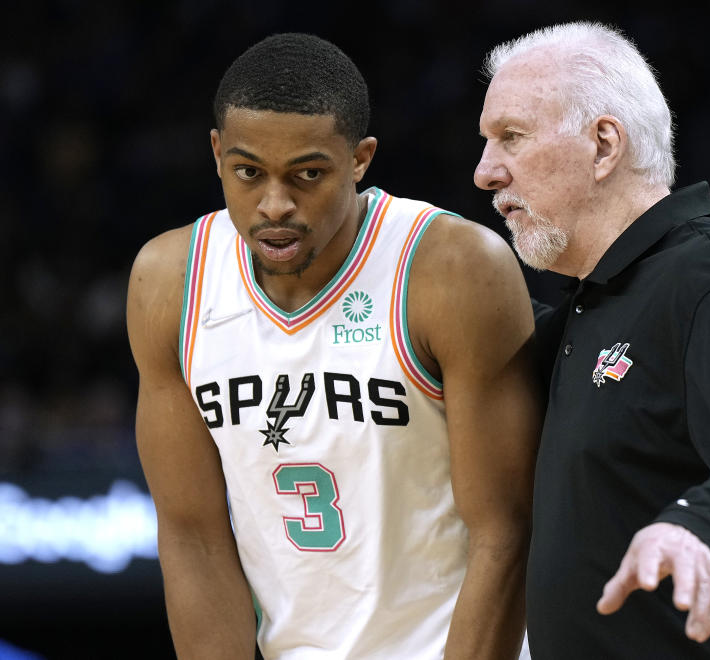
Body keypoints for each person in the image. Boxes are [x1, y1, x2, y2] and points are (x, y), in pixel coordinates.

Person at [127, 33, 541, 659]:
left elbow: (505, 531)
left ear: (359, 158)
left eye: (308, 175)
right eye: (248, 173)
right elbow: (193, 537)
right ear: (216, 154)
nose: (275, 205)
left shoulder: (452, 268)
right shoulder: (170, 282)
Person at [473, 21, 710, 659]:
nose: (486, 172)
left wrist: (695, 527)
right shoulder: (585, 313)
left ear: (603, 146)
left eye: (510, 137)